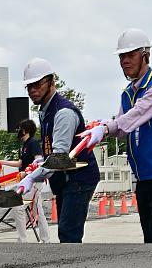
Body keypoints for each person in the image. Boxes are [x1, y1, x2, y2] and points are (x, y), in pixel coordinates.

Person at [79, 29, 152, 243]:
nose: (125, 61)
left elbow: (136, 115)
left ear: (145, 55)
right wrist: (101, 128)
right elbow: (122, 130)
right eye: (122, 56)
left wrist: (106, 128)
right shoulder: (128, 93)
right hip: (145, 177)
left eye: (131, 55)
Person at [12, 58, 100, 243]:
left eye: (37, 85)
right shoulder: (46, 111)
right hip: (67, 180)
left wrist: (32, 176)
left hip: (78, 179)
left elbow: (59, 157)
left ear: (51, 82)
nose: (32, 90)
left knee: (69, 234)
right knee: (66, 232)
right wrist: (41, 160)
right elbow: (52, 150)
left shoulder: (63, 113)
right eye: (29, 86)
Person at [0, 119, 50, 243]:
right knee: (38, 210)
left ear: (25, 130)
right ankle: (45, 239)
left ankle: (22, 239)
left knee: (17, 206)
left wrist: (26, 172)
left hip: (34, 181)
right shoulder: (25, 145)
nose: (18, 131)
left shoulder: (33, 143)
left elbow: (39, 162)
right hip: (29, 181)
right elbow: (20, 163)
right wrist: (2, 162)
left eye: (20, 128)